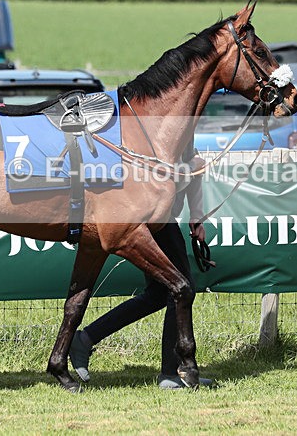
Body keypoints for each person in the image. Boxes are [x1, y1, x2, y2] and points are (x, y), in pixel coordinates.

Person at [69, 149, 214, 390]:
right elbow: (162, 176)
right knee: (181, 289)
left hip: (164, 219)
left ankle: (84, 339)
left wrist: (197, 216)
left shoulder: (183, 130)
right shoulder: (151, 132)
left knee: (159, 294)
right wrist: (192, 166)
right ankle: (171, 373)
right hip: (148, 220)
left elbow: (194, 173)